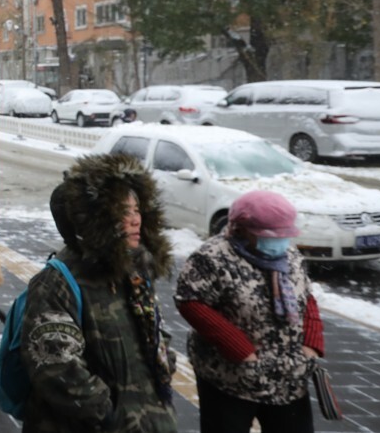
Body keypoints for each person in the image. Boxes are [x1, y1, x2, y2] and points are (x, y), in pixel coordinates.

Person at [21, 153, 177, 432]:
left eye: (137, 209)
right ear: (97, 219)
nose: (134, 220)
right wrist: (112, 416)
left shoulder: (134, 270)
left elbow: (154, 331)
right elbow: (57, 369)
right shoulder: (57, 283)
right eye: (123, 212)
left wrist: (163, 365)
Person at [175, 191, 324, 433]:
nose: (280, 241)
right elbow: (190, 301)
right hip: (232, 376)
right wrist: (240, 350)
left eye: (285, 234)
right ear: (242, 228)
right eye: (271, 235)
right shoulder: (211, 257)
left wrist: (311, 344)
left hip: (289, 375)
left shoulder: (290, 255)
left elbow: (306, 297)